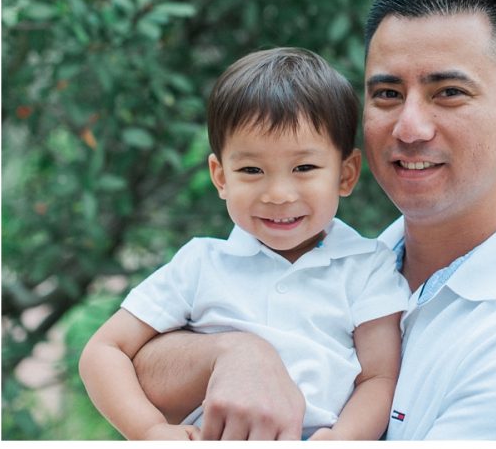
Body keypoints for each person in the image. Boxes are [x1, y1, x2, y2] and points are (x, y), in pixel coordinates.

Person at [131, 0, 496, 440]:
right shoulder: (351, 260)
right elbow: (132, 369)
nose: (410, 127)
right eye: (387, 93)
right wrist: (235, 355)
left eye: (449, 93)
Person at [78, 47, 411, 440]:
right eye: (251, 170)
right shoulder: (201, 263)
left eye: (304, 168)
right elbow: (104, 352)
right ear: (221, 177)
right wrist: (150, 430)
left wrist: (342, 439)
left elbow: (379, 378)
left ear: (346, 173)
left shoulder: (367, 266)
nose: (278, 193)